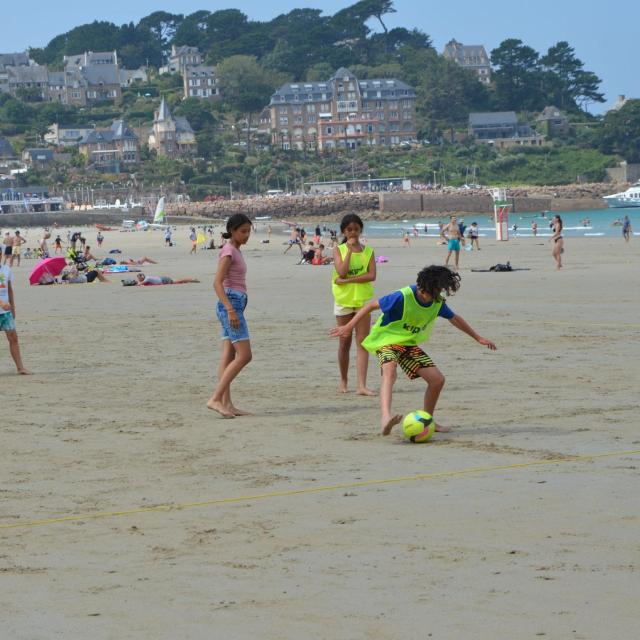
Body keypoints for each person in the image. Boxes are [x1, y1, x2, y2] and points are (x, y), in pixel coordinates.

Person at [330, 265, 496, 434]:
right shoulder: (403, 296)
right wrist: (349, 326)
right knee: (389, 371)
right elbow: (370, 306)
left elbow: (454, 318)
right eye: (436, 290)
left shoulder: (437, 302)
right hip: (386, 340)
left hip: (408, 344)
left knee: (437, 380)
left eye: (441, 291)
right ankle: (385, 417)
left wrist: (478, 337)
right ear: (424, 287)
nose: (438, 295)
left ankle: (427, 421)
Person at [207, 213, 253, 418]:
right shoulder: (228, 251)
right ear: (232, 230)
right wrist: (230, 309)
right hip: (230, 304)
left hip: (235, 303)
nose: (246, 235)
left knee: (228, 355)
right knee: (245, 355)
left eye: (248, 231)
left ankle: (227, 404)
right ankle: (216, 398)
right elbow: (217, 283)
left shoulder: (236, 250)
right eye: (243, 231)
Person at [332, 213, 377, 396]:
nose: (353, 233)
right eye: (349, 230)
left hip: (362, 301)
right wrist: (349, 251)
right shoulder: (338, 250)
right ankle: (343, 379)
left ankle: (361, 385)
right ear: (344, 231)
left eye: (356, 229)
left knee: (362, 341)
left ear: (360, 230)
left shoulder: (369, 251)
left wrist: (350, 279)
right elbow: (341, 272)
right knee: (344, 341)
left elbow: (371, 275)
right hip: (343, 300)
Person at [0, 262, 30, 374]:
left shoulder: (6, 269)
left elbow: (9, 290)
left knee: (13, 338)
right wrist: (1, 303)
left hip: (6, 312)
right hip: (2, 306)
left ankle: (20, 368)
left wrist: (13, 308)